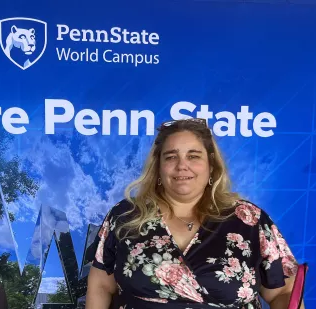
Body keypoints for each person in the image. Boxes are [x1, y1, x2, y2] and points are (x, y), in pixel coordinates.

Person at [85, 118, 303, 309]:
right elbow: (101, 285)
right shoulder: (126, 216)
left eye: (193, 156)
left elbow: (283, 292)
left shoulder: (249, 220)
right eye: (171, 157)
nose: (182, 166)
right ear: (158, 167)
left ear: (211, 166)